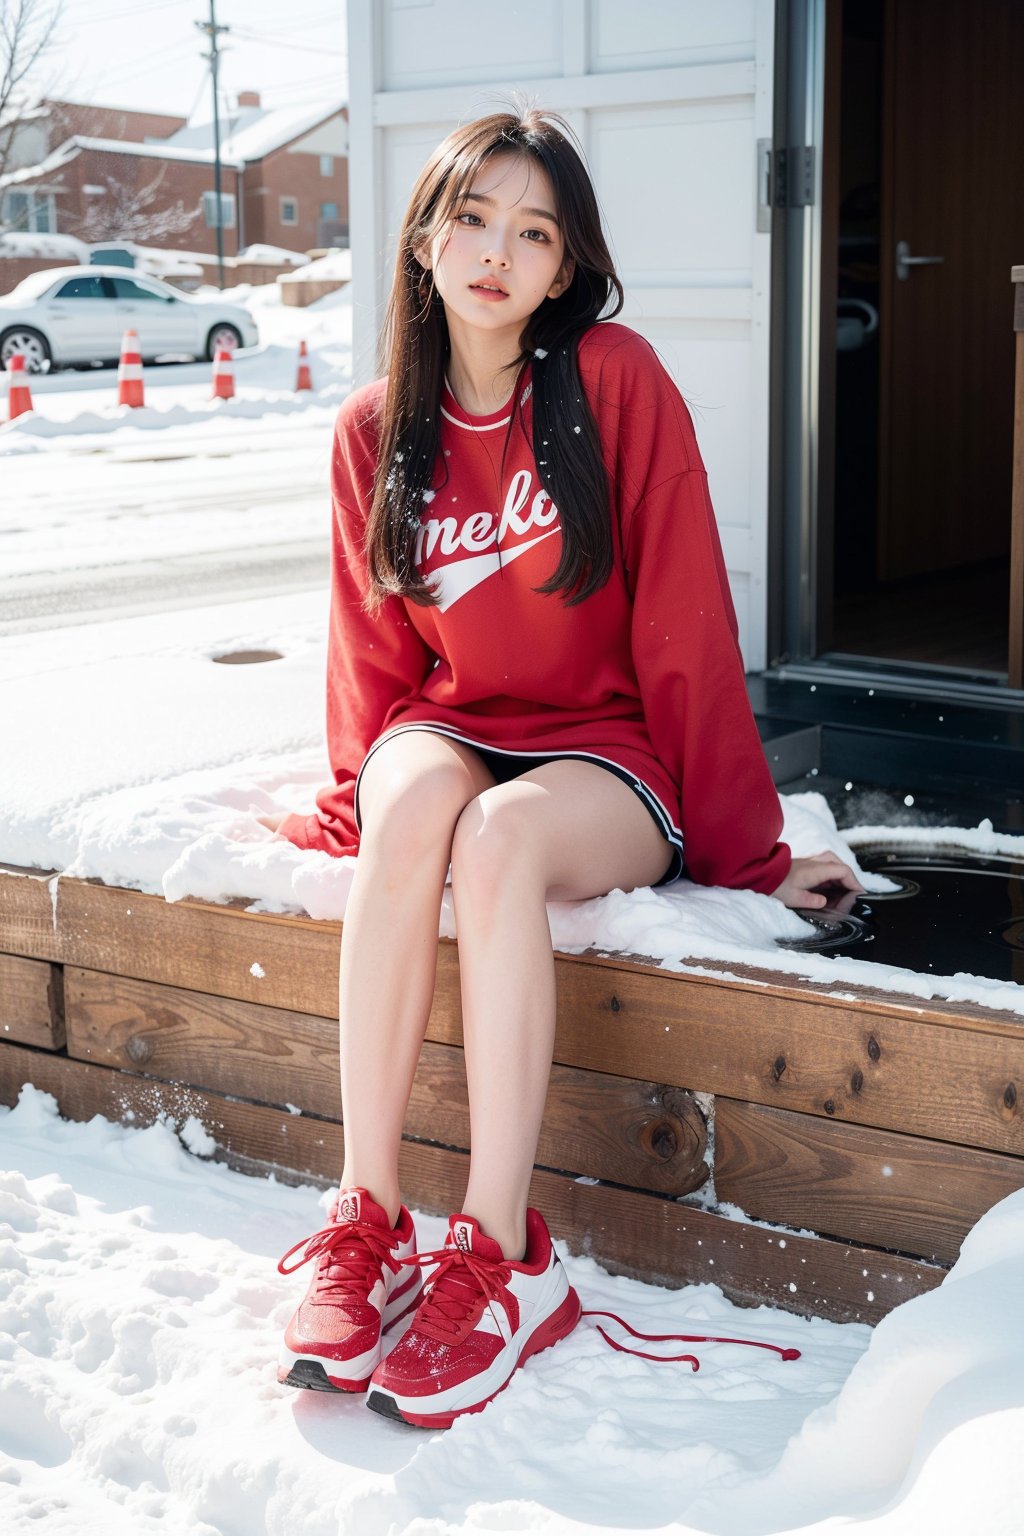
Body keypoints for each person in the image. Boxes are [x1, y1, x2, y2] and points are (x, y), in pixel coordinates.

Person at [270, 105, 864, 1429]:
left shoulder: (611, 382)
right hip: (456, 724)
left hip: (603, 752)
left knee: (497, 844)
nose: (496, 251)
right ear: (426, 236)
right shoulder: (375, 430)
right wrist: (351, 801)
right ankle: (368, 1217)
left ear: (564, 267)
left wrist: (751, 853)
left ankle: (500, 1254)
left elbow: (688, 632)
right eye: (473, 217)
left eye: (533, 232)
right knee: (413, 803)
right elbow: (372, 651)